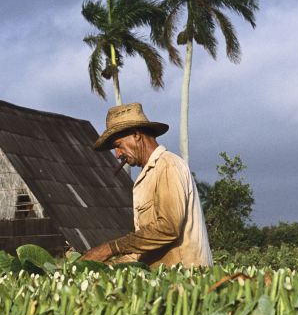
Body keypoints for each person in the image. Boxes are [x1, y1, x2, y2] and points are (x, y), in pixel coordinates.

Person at [81, 103, 212, 268]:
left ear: (136, 135)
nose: (117, 154)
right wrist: (107, 266)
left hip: (185, 280)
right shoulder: (145, 178)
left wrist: (110, 249)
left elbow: (168, 227)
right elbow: (142, 249)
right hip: (161, 281)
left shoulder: (167, 165)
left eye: (118, 146)